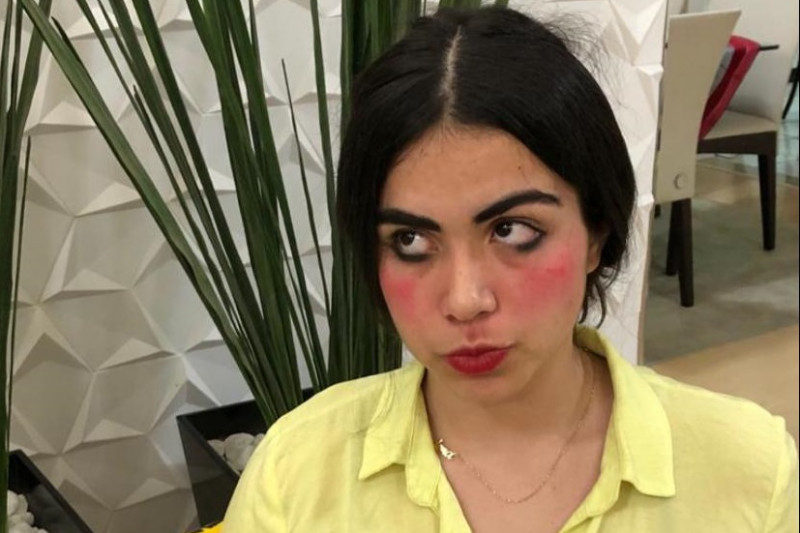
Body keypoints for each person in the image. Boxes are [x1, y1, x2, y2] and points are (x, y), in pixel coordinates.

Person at [222, 6, 798, 532]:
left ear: (596, 233)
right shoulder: (296, 476)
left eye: (512, 230)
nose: (465, 300)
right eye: (410, 240)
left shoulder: (749, 473)